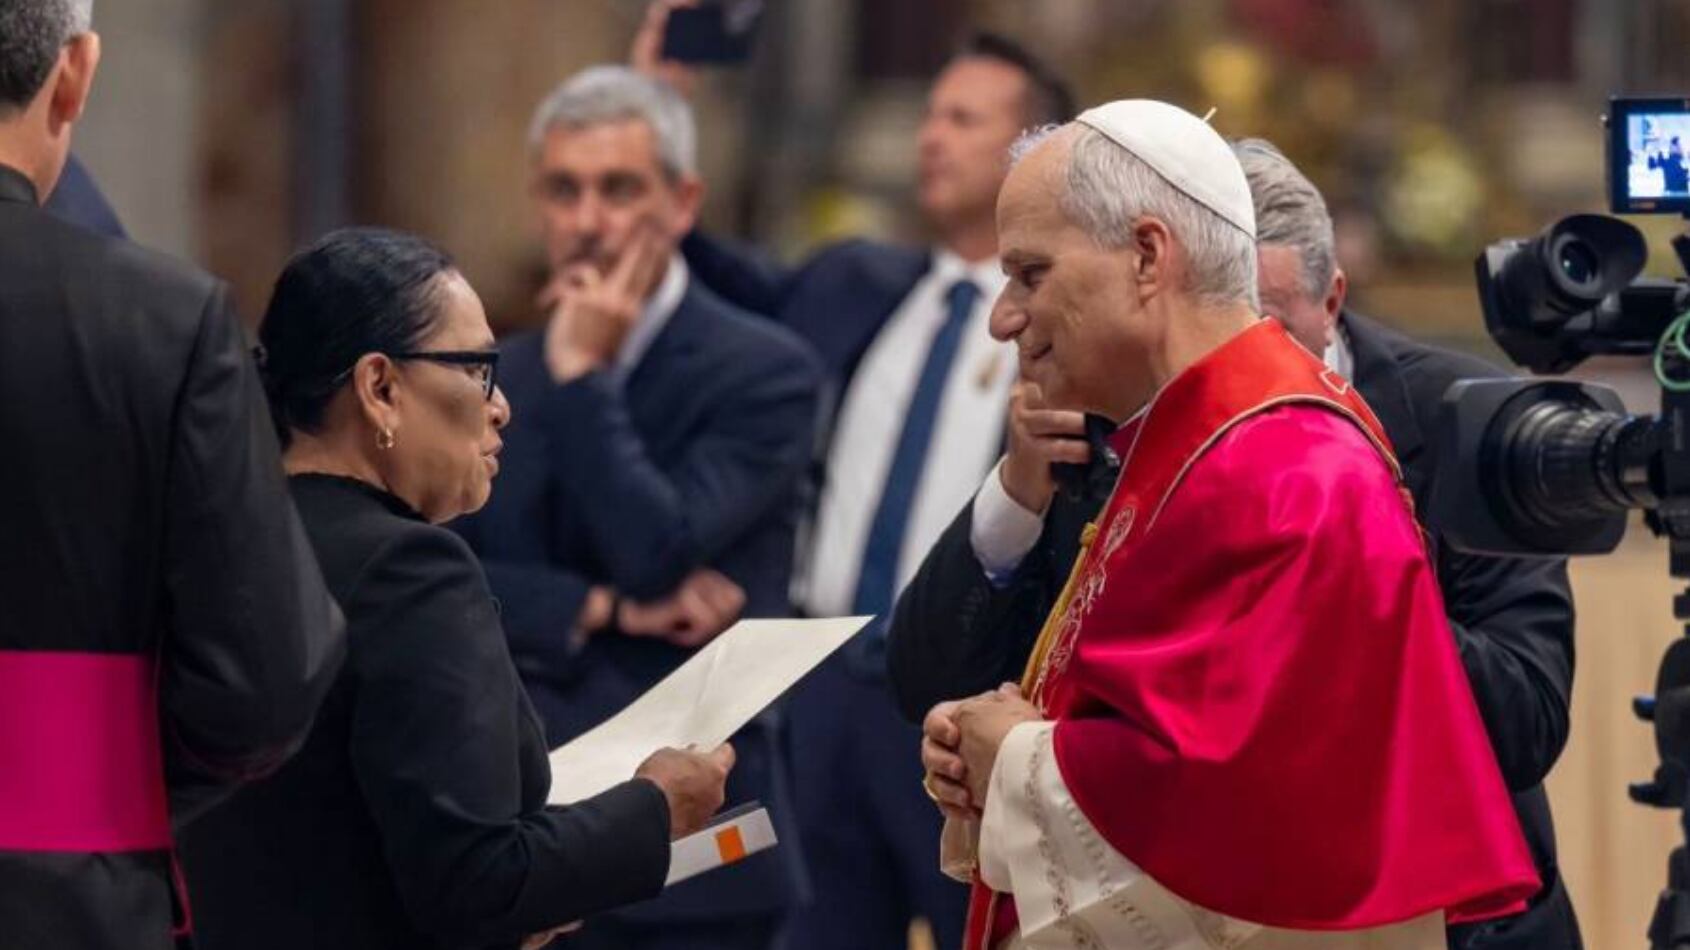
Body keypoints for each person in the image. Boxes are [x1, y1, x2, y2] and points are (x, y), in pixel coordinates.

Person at [889, 138, 1582, 949]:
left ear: (1154, 260)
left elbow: (1235, 801)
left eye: (1031, 274)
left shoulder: (1294, 461)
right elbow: (1122, 704)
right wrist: (989, 748)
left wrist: (1017, 757)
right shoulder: (1133, 426)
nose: (1004, 316)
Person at [633, 9, 1076, 945]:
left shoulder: (1065, 329)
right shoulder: (860, 286)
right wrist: (658, 111)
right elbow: (699, 276)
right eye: (931, 114)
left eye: (963, 119)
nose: (930, 136)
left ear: (1034, 151)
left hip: (961, 708)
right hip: (819, 686)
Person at [178, 227, 737, 950]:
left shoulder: (217, 541)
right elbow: (478, 884)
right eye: (477, 370)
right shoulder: (409, 573)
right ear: (380, 388)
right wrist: (655, 807)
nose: (499, 406)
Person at [0, 3, 345, 949]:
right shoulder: (163, 322)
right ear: (74, 74)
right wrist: (85, 772)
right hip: (70, 895)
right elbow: (265, 682)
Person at [455, 66, 821, 950]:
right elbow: (444, 573)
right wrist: (596, 607)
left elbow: (658, 546)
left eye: (618, 189)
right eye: (564, 189)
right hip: (527, 824)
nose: (587, 221)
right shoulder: (490, 370)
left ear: (683, 201)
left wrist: (584, 380)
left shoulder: (767, 372)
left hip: (698, 853)